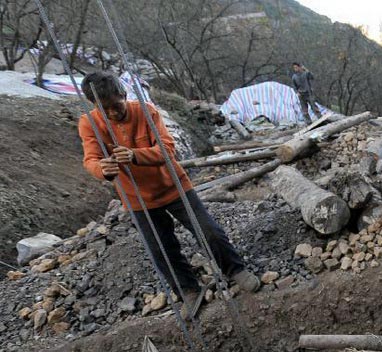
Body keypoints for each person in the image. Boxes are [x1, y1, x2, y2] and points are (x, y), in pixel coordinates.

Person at [78, 71, 260, 319]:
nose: (112, 113)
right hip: (137, 198)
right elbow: (90, 159)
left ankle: (235, 270)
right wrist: (102, 169)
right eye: (104, 109)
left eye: (116, 105)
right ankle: (187, 289)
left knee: (207, 230)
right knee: (160, 248)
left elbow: (167, 149)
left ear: (123, 94)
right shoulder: (89, 123)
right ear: (94, 105)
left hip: (173, 185)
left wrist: (135, 155)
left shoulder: (146, 111)